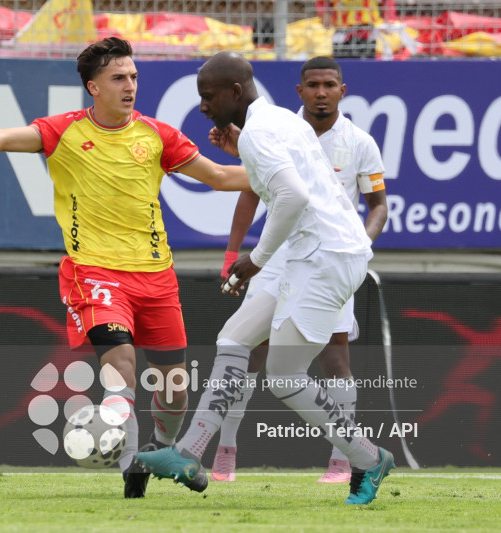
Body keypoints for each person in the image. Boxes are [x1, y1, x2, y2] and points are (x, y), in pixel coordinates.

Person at [0, 37, 250, 499]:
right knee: (122, 367)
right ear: (94, 87)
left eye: (133, 77)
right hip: (95, 273)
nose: (130, 85)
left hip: (157, 277)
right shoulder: (64, 132)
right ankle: (126, 459)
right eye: (118, 78)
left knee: (174, 389)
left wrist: (287, 173)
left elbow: (221, 177)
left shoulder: (157, 135)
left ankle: (157, 453)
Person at [136, 51, 395, 505]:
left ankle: (368, 457)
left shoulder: (261, 130)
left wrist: (255, 258)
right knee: (234, 339)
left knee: (284, 374)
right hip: (309, 252)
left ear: (235, 92)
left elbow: (292, 196)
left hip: (326, 256)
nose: (203, 107)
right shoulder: (277, 120)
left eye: (208, 96)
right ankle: (188, 454)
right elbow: (303, 179)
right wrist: (246, 155)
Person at [210, 56, 388, 484]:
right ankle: (225, 452)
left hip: (327, 257)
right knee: (247, 351)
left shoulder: (360, 142)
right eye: (313, 85)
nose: (321, 92)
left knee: (334, 355)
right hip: (276, 256)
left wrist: (361, 247)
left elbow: (378, 205)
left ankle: (344, 460)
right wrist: (234, 251)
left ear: (342, 91)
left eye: (330, 84)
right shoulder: (280, 126)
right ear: (300, 91)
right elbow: (254, 193)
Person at [316, 0, 397, 58]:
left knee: (365, 61)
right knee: (341, 61)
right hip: (342, 28)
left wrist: (388, 20)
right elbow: (322, 2)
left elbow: (388, 2)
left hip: (366, 28)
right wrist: (324, 14)